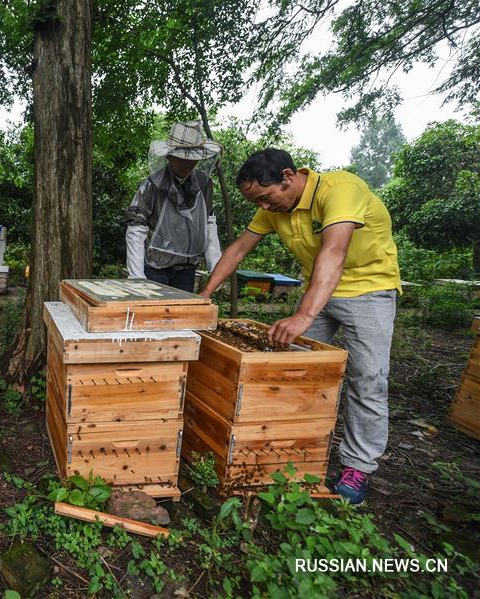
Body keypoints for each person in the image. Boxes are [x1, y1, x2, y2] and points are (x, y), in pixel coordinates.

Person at [200, 148, 402, 505]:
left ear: (288, 177)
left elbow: (334, 252)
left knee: (367, 380)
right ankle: (287, 447)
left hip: (369, 291)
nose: (263, 207)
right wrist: (204, 295)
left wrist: (303, 316)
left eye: (265, 197)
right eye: (256, 202)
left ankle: (358, 467)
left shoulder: (340, 189)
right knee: (288, 370)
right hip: (318, 290)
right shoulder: (272, 209)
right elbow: (238, 250)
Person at [125, 121, 223, 292]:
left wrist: (216, 267)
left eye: (192, 159)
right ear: (169, 156)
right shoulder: (151, 185)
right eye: (181, 158)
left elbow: (208, 222)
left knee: (180, 314)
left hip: (187, 267)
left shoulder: (204, 183)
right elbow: (136, 228)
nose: (187, 164)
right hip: (156, 266)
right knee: (154, 314)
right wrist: (136, 276)